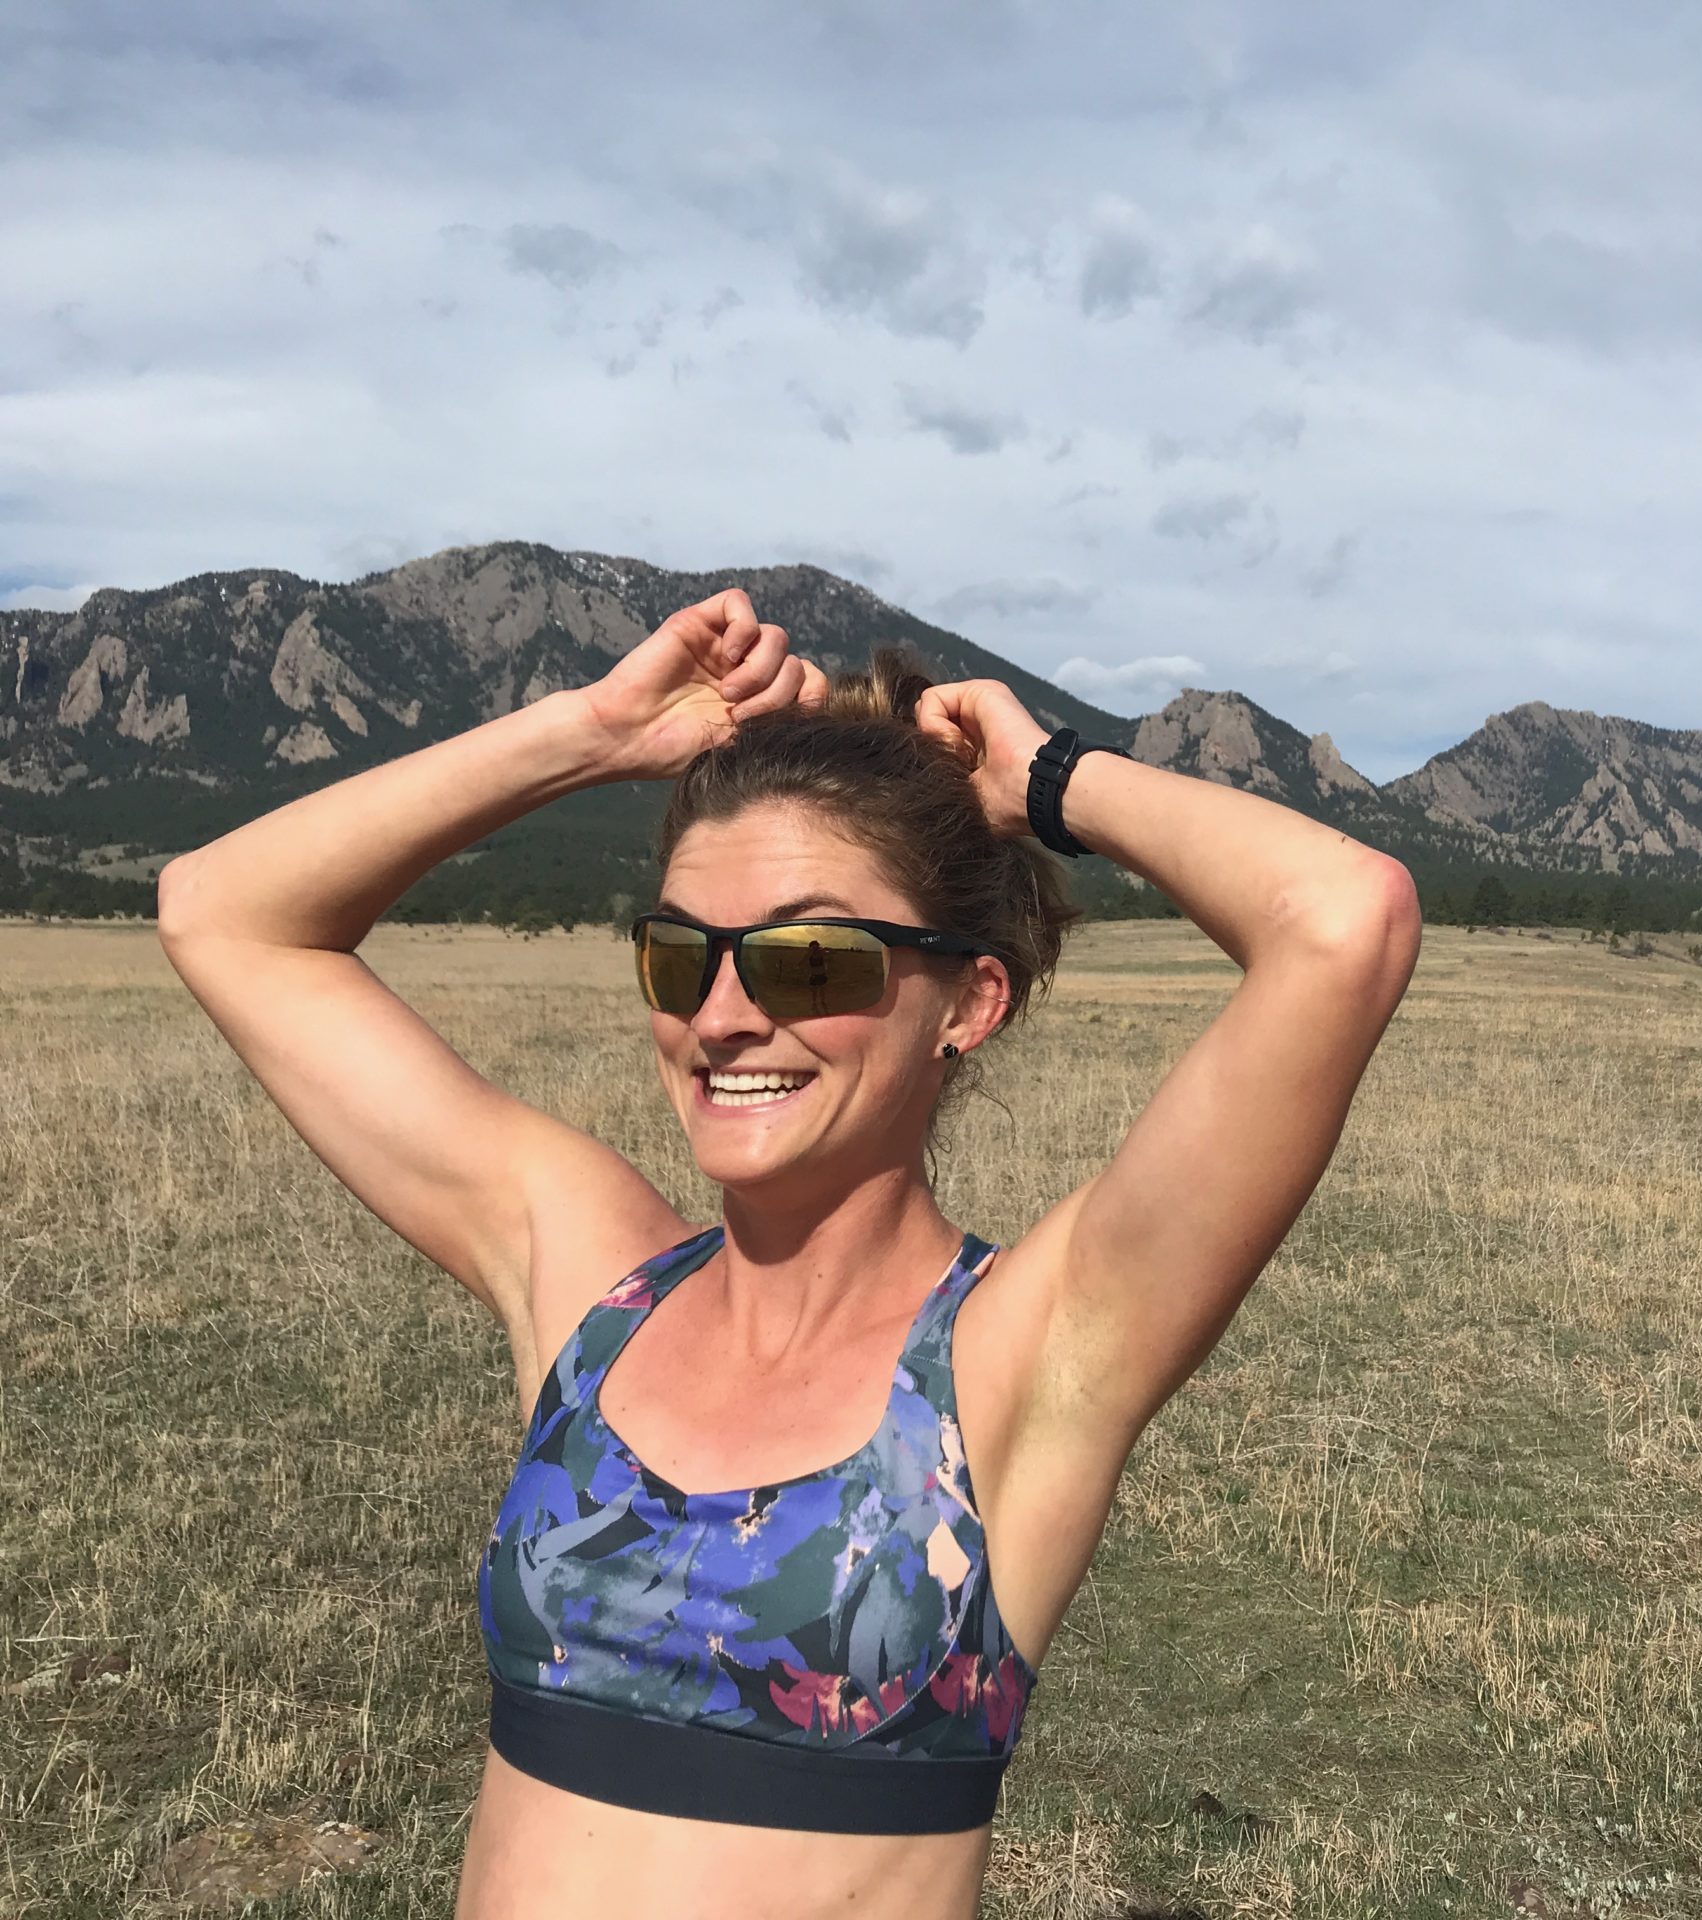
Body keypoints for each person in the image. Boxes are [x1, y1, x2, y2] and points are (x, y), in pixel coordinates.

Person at [155, 588, 1421, 1919]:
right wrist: (591, 735)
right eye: (680, 958)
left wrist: (1047, 780)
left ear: (969, 1000)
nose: (722, 1016)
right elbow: (222, 912)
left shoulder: (1025, 1353)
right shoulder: (596, 1288)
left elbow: (1344, 921)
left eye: (809, 961)